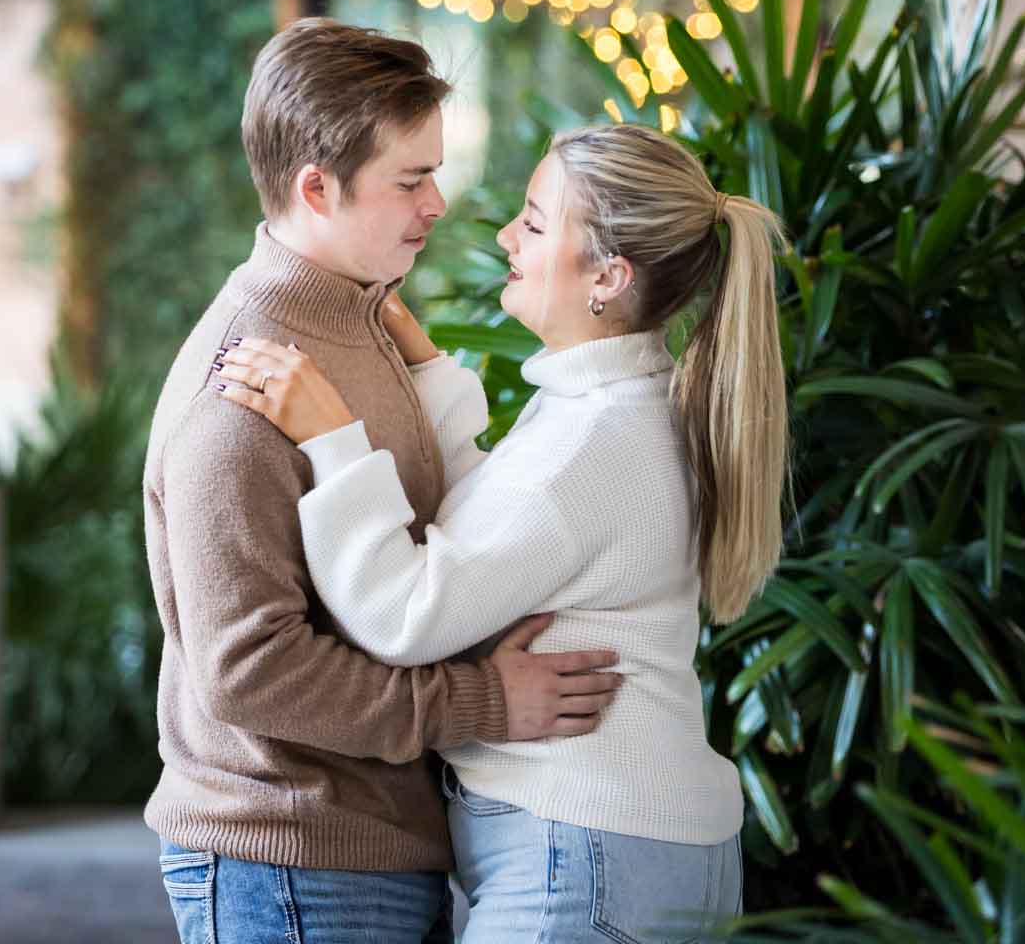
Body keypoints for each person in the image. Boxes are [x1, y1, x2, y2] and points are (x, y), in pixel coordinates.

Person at [216, 120, 790, 943]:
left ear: (607, 275)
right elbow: (508, 530)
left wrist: (330, 440)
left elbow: (402, 615)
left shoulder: (586, 446)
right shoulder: (624, 411)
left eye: (533, 220)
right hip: (633, 847)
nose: (503, 235)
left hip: (582, 859)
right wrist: (431, 377)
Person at [144, 19, 626, 944]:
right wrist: (482, 701)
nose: (438, 202)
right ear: (316, 187)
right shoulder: (244, 389)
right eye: (410, 180)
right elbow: (248, 671)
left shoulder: (359, 324)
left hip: (368, 851)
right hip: (287, 862)